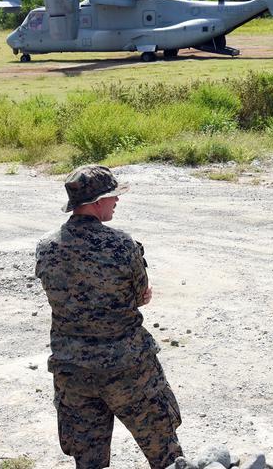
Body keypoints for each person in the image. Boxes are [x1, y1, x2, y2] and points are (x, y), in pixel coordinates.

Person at [35, 165, 183, 469]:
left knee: (88, 462)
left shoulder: (46, 247)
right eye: (112, 195)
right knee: (166, 454)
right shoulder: (121, 244)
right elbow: (141, 295)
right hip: (128, 370)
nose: (116, 201)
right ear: (96, 201)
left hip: (73, 372)